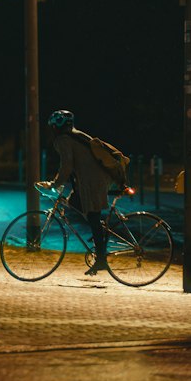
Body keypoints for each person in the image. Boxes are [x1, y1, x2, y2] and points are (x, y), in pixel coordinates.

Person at [42, 108, 113, 274]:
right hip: (97, 178)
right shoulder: (77, 134)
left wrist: (54, 183)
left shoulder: (63, 140)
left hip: (92, 181)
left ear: (55, 127)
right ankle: (99, 234)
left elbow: (67, 165)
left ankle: (101, 259)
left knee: (93, 217)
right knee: (74, 201)